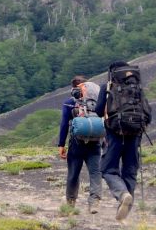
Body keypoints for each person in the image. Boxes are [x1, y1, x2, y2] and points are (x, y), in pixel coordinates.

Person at [95, 60, 148, 221]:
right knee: (130, 171)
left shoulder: (108, 87)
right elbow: (148, 113)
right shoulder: (137, 88)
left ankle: (122, 194)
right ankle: (124, 209)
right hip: (135, 135)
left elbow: (98, 111)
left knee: (108, 169)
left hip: (114, 134)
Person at [57, 75, 102, 213]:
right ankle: (94, 202)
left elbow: (64, 124)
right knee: (95, 173)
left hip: (76, 145)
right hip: (95, 143)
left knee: (73, 174)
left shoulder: (69, 103)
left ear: (73, 88)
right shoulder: (97, 102)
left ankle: (70, 203)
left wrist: (61, 145)